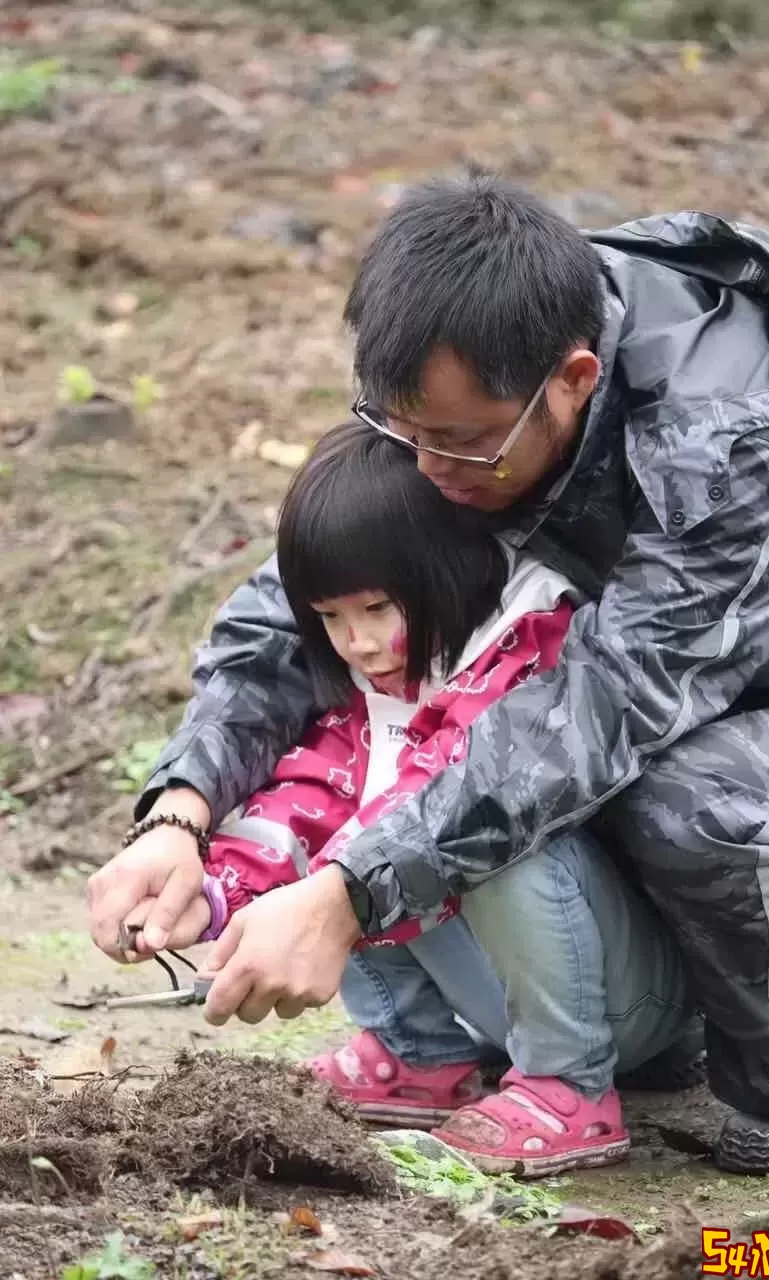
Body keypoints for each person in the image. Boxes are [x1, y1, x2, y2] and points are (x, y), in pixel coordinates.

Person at [88, 174, 769, 1176]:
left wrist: (348, 894)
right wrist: (181, 811)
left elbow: (605, 708)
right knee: (441, 747)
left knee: (686, 793)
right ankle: (653, 1028)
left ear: (574, 379)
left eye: (455, 441)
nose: (423, 465)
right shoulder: (469, 364)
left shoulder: (737, 437)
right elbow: (302, 597)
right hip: (669, 671)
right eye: (400, 429)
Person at [118, 419, 692, 1175]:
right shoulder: (386, 675)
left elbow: (453, 796)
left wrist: (334, 887)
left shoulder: (526, 642)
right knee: (351, 825)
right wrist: (218, 893)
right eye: (329, 619)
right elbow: (317, 790)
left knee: (476, 833)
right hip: (500, 996)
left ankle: (568, 1085)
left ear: (446, 571)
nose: (353, 642)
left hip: (623, 1001)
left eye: (375, 610)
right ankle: (417, 1054)